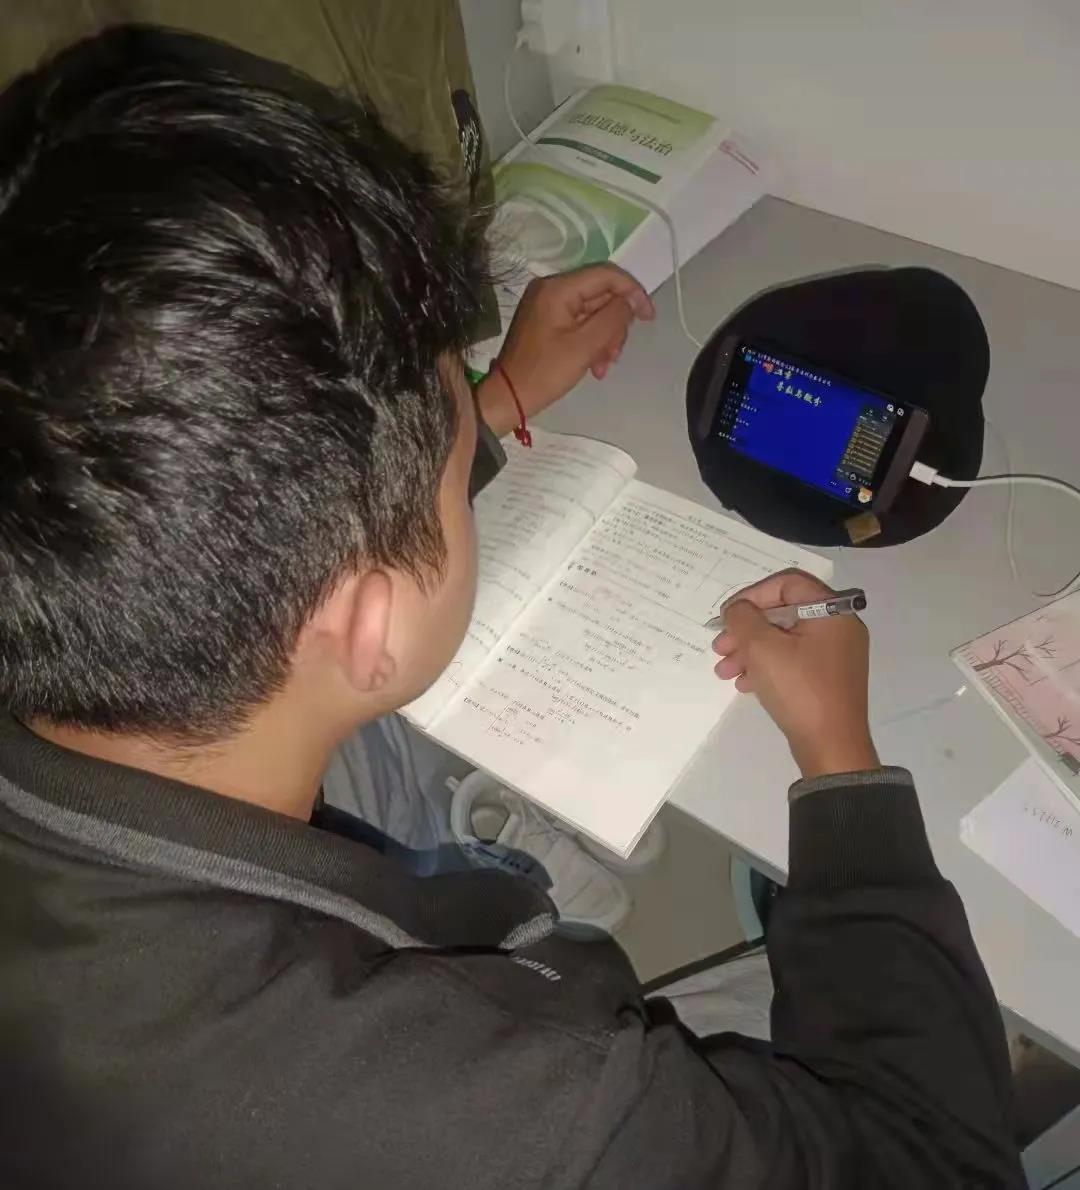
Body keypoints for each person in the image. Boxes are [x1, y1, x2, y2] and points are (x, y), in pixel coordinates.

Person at [0, 26, 1024, 1190]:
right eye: (455, 479)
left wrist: (488, 405)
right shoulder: (536, 1110)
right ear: (369, 624)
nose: (468, 471)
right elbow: (944, 1162)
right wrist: (843, 768)